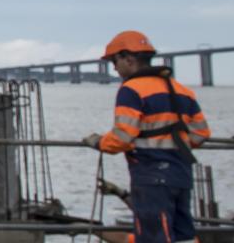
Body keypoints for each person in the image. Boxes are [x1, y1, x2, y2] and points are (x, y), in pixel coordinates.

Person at [82, 30, 211, 243]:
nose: (114, 67)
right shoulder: (182, 90)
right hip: (181, 174)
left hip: (151, 177)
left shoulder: (131, 89)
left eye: (115, 61)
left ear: (129, 58)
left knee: (153, 235)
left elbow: (122, 137)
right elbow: (200, 134)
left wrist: (98, 142)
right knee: (183, 235)